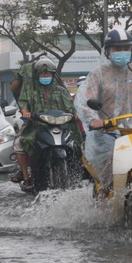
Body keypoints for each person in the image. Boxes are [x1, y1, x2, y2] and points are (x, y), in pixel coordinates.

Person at [74, 28, 132, 193]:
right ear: (108, 51)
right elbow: (84, 101)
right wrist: (93, 120)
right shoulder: (97, 74)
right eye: (117, 49)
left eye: (126, 48)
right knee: (114, 156)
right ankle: (105, 193)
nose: (122, 52)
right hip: (105, 131)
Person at [15, 57, 81, 190]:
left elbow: (71, 107)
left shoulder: (61, 91)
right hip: (37, 126)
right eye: (43, 73)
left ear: (53, 74)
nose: (46, 75)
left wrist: (75, 113)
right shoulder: (30, 91)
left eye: (48, 73)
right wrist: (25, 111)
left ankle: (79, 171)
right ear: (38, 74)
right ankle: (26, 177)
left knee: (78, 143)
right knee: (20, 143)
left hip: (61, 125)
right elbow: (23, 103)